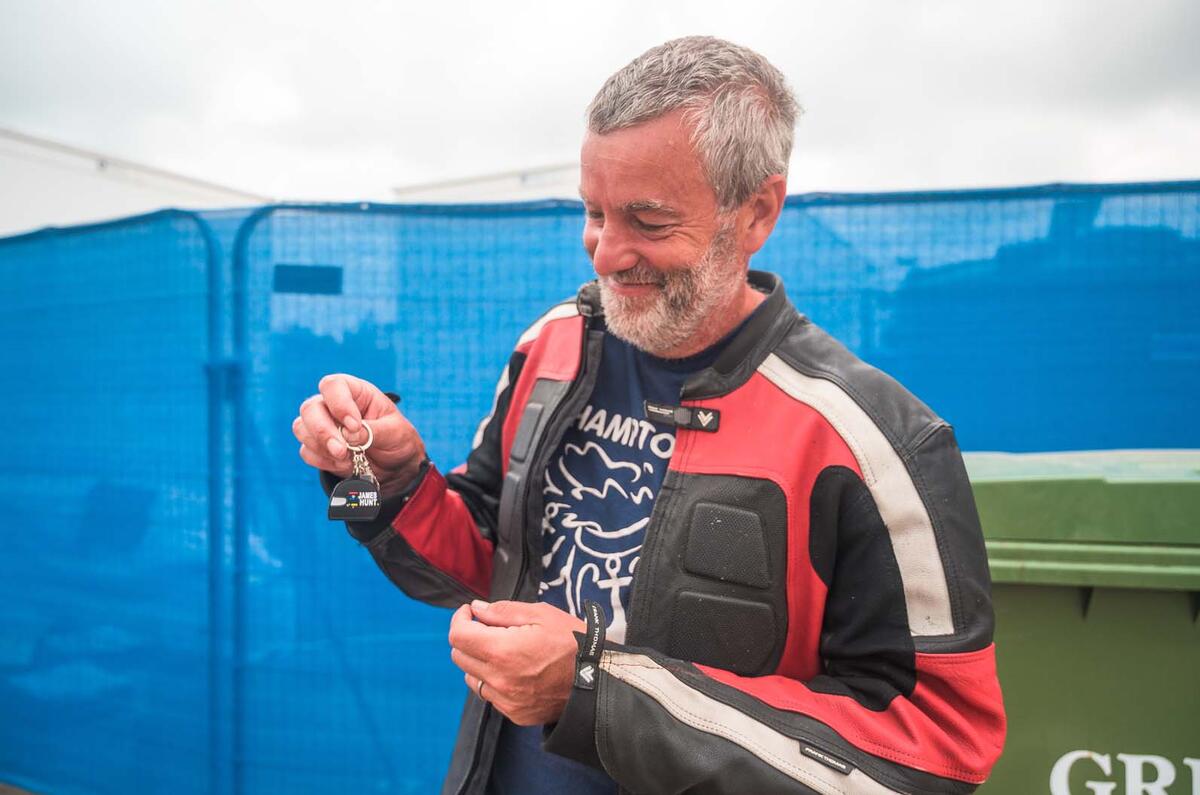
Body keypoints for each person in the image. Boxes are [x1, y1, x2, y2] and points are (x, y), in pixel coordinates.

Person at [293, 35, 1006, 795]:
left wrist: (599, 688)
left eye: (649, 221)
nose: (605, 252)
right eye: (594, 212)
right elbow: (475, 567)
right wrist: (376, 476)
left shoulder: (875, 440)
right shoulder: (552, 344)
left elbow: (936, 752)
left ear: (757, 211)